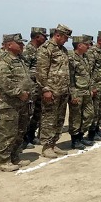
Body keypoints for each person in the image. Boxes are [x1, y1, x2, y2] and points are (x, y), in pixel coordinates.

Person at [0, 33, 34, 171]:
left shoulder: (20, 59)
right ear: (9, 44)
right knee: (7, 133)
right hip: (8, 104)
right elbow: (3, 81)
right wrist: (19, 93)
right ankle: (3, 162)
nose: (22, 45)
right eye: (19, 43)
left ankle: (14, 157)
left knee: (20, 132)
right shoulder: (2, 60)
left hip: (22, 103)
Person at [36, 24, 72, 158]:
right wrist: (45, 89)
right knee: (49, 119)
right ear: (57, 35)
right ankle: (46, 147)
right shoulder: (46, 49)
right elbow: (41, 72)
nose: (66, 40)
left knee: (59, 119)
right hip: (51, 91)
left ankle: (53, 143)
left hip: (63, 90)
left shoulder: (63, 50)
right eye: (65, 37)